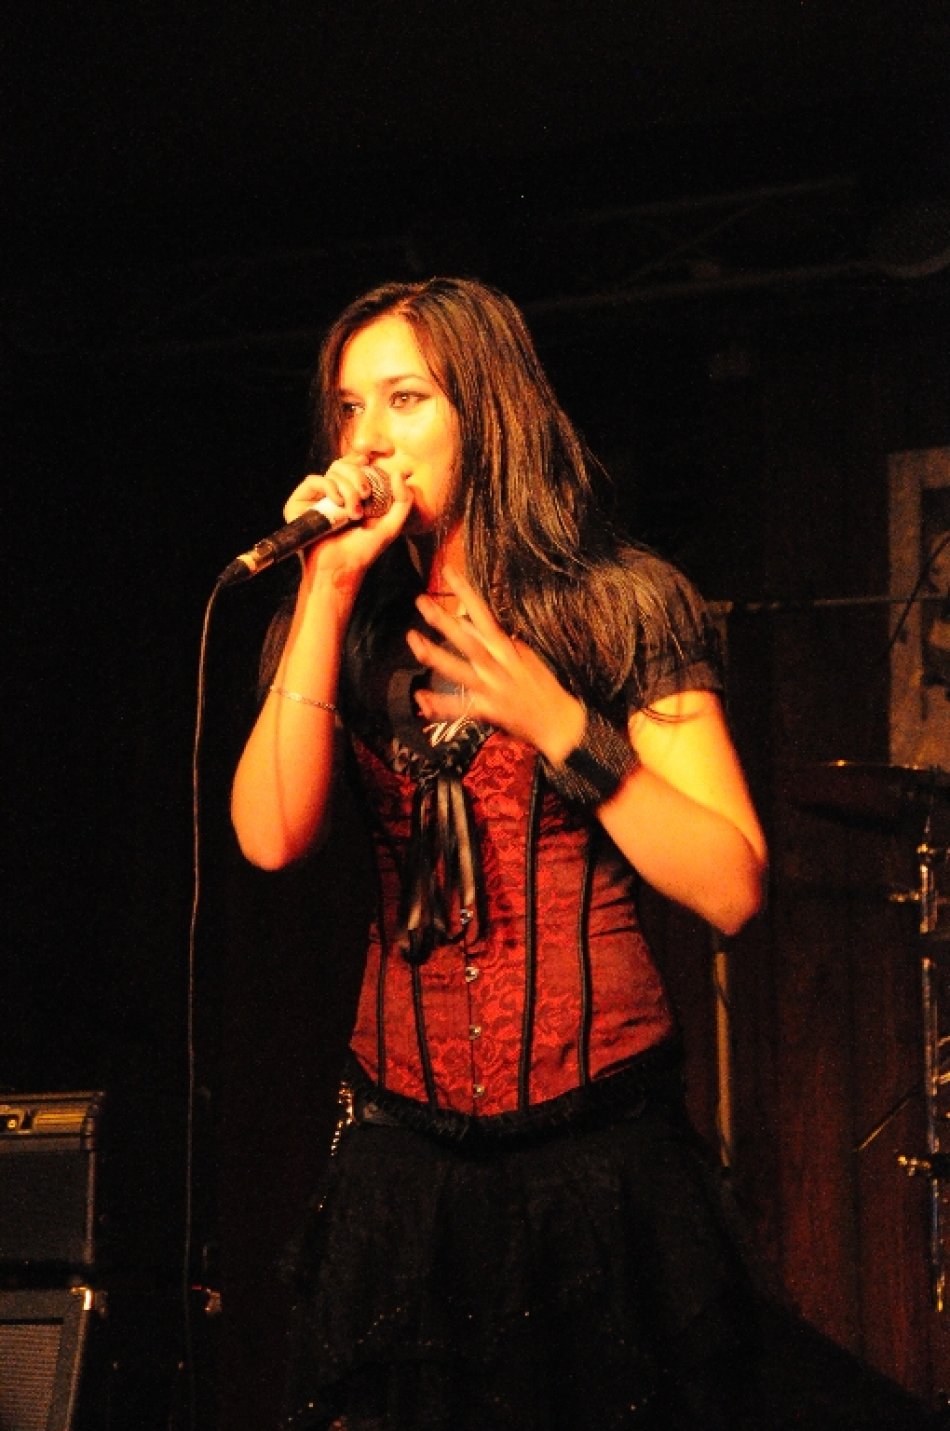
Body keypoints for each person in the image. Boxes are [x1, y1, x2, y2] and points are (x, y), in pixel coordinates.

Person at [231, 277, 769, 1431]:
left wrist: (562, 728)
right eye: (348, 409)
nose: (367, 439)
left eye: (405, 400)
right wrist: (324, 588)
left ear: (485, 411)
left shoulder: (620, 606)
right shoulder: (346, 626)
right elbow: (269, 837)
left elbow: (729, 885)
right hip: (402, 1161)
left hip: (599, 1156)